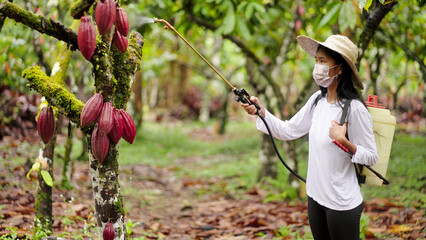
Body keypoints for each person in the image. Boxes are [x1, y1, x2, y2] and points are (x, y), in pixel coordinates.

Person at [241, 35, 378, 240]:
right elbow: (288, 130)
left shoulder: (354, 109)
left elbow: (371, 156)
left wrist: (346, 142)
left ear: (340, 68)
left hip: (341, 203)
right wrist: (261, 111)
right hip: (316, 197)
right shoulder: (317, 101)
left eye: (323, 61)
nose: (318, 66)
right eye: (317, 60)